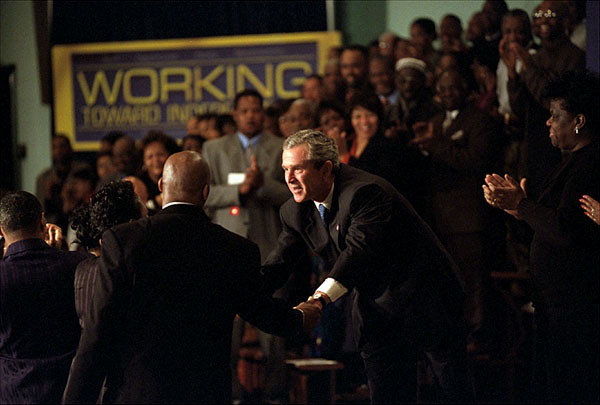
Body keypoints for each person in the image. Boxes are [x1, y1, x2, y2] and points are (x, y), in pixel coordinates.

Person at [62, 151, 321, 404]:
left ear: (162, 185)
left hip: (140, 392)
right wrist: (299, 319)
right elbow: (260, 310)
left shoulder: (124, 240)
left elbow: (97, 334)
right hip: (206, 393)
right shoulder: (237, 249)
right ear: (206, 192)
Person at [261, 130, 472, 403]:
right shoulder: (294, 210)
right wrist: (242, 293)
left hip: (427, 297)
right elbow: (280, 261)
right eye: (285, 169)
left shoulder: (365, 192)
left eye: (298, 169)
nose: (288, 179)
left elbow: (358, 253)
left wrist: (318, 301)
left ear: (326, 169)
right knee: (387, 393)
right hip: (376, 304)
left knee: (452, 391)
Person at [483, 71, 599, 403]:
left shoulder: (590, 164)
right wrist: (517, 211)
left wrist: (523, 205)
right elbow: (545, 227)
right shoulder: (569, 162)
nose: (548, 123)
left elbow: (566, 230)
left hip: (576, 306)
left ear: (578, 121)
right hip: (555, 302)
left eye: (555, 116)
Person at [202, 89, 293, 403]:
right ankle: (230, 396)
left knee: (274, 335)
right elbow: (205, 196)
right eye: (245, 110)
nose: (251, 115)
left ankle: (277, 395)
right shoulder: (213, 148)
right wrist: (238, 190)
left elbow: (292, 194)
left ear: (263, 114)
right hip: (224, 254)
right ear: (235, 114)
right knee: (225, 334)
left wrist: (262, 185)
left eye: (257, 110)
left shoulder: (281, 147)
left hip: (268, 251)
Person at [411, 69, 505, 354]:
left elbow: (475, 160)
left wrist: (436, 145)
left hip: (467, 219)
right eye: (443, 89)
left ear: (465, 89)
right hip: (438, 219)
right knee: (445, 283)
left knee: (472, 282)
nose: (448, 93)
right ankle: (448, 337)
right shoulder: (436, 121)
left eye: (454, 87)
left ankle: (477, 338)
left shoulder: (479, 120)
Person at [0, 191, 89, 403]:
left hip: (14, 392)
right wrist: (64, 252)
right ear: (42, 220)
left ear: (1, 230)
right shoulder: (78, 264)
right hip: (69, 388)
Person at [69, 180, 147, 328]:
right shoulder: (134, 273)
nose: (149, 227)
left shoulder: (83, 270)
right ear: (132, 227)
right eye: (146, 219)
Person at [138, 130, 180, 214]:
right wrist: (155, 202)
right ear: (144, 161)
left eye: (160, 155)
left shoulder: (178, 179)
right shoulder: (138, 183)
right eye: (150, 157)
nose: (156, 160)